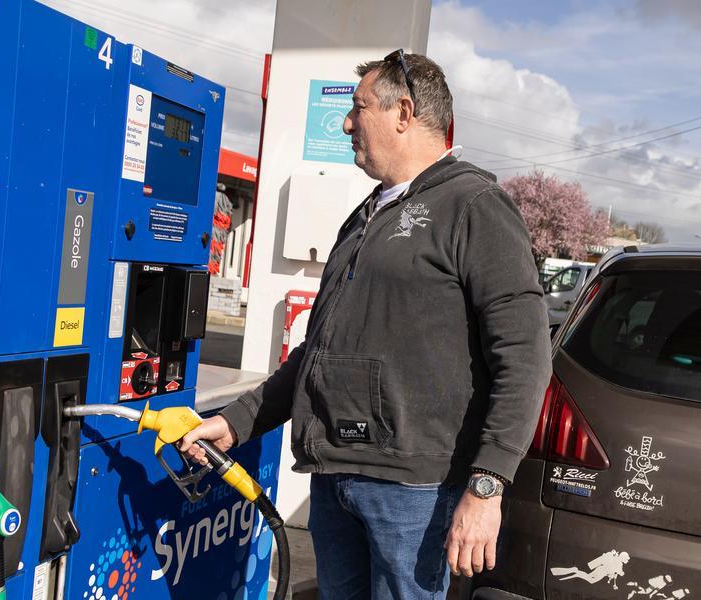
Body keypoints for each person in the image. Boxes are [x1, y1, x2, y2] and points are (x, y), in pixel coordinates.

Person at [180, 49, 552, 599]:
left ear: (403, 113)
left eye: (358, 109)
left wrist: (486, 485)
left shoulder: (474, 204)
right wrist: (238, 421)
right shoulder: (367, 215)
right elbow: (317, 352)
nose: (347, 122)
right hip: (337, 477)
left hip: (414, 493)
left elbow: (524, 357)